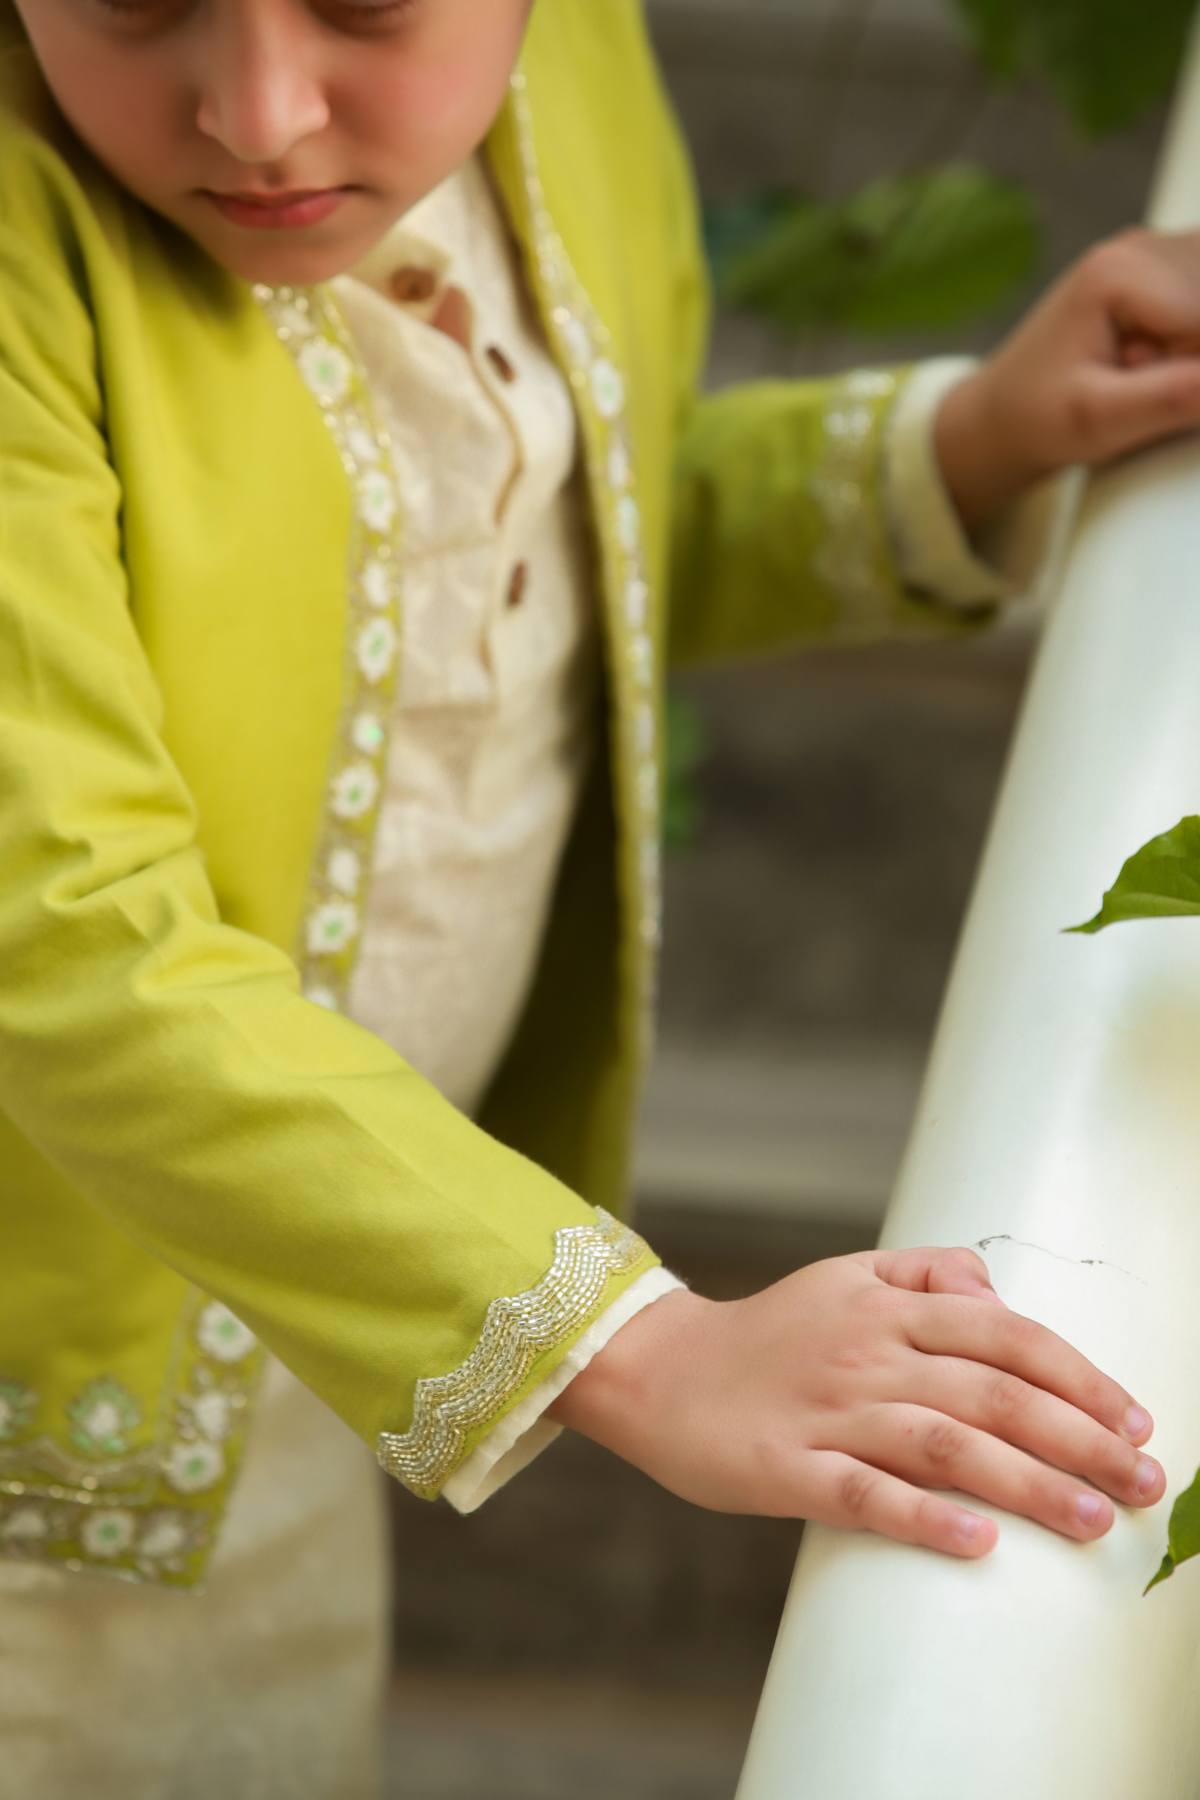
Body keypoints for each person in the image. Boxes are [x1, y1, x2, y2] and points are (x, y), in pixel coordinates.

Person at [0, 0, 1195, 1791]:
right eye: (131, 1)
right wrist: (637, 1350)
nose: (259, 112)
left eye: (367, 4)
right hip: (59, 1394)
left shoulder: (563, 82)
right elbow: (60, 931)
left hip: (315, 1311)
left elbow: (550, 536)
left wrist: (966, 444)